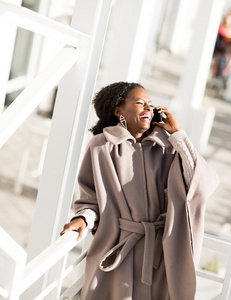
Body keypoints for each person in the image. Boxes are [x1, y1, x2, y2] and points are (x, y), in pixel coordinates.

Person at [60, 82, 220, 300]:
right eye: (140, 103)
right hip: (117, 249)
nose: (148, 108)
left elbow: (201, 184)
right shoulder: (101, 147)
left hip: (160, 253)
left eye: (150, 104)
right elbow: (91, 199)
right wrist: (83, 219)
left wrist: (178, 134)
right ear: (118, 110)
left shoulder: (168, 147)